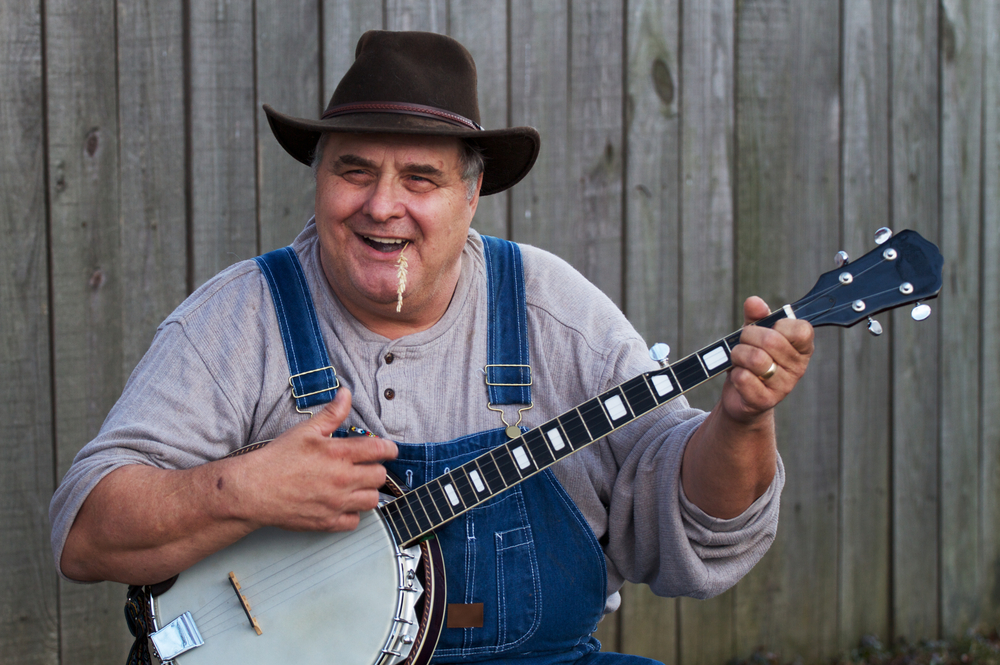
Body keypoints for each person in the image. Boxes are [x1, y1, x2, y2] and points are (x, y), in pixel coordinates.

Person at [50, 30, 813, 664]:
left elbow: (688, 521)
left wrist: (741, 424)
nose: (383, 206)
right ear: (319, 179)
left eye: (421, 177)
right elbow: (85, 536)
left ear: (471, 194)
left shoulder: (552, 310)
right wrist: (242, 489)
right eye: (354, 170)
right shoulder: (240, 317)